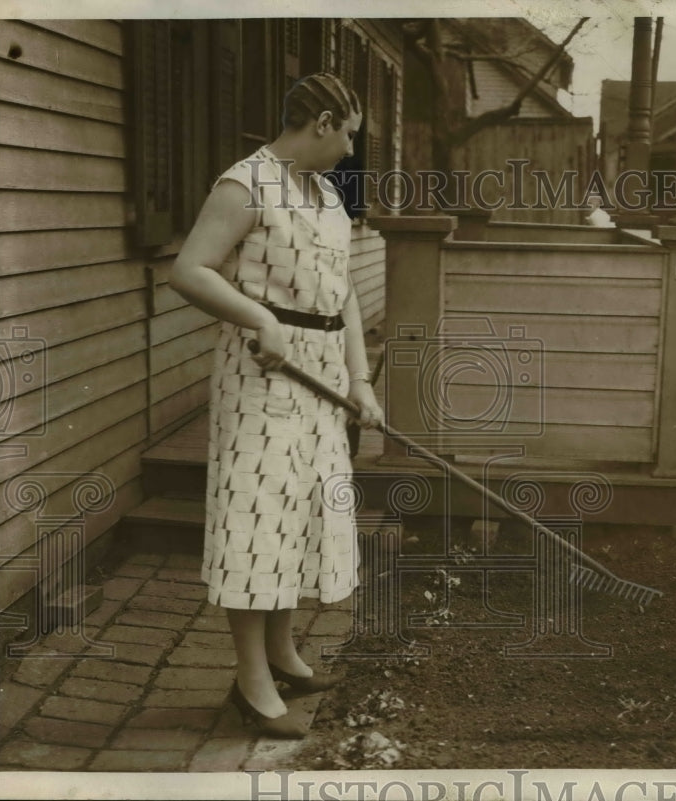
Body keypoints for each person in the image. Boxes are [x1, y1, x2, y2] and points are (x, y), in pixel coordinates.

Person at [170, 72, 384, 738]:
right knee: (259, 517)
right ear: (321, 122)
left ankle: (283, 653)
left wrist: (360, 377)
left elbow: (343, 292)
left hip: (319, 374)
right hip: (263, 374)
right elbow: (191, 268)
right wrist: (258, 319)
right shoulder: (245, 183)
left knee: (305, 512)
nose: (351, 150)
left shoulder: (323, 193)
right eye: (348, 133)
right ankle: (250, 679)